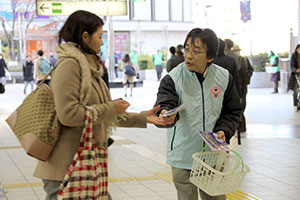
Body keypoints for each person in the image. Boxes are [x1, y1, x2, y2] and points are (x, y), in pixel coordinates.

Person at [33, 10, 171, 200]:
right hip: (67, 167)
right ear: (85, 36)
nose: (102, 41)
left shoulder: (89, 67)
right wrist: (111, 108)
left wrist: (142, 117)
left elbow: (101, 112)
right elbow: (68, 114)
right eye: (100, 36)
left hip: (86, 163)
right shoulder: (70, 65)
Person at [153, 28, 242, 200]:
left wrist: (224, 130)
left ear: (210, 57)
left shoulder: (223, 78)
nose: (188, 55)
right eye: (187, 49)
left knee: (215, 197)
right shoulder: (173, 78)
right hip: (182, 153)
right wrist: (165, 114)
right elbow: (163, 105)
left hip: (212, 155)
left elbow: (232, 111)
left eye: (195, 51)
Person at [232, 44, 253, 132]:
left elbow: (250, 70)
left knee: (242, 104)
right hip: (236, 85)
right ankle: (239, 125)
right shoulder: (233, 60)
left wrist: (246, 79)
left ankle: (241, 125)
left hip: (243, 86)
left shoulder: (244, 59)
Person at [288, 44, 300, 109]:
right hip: (296, 75)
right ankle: (295, 104)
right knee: (296, 90)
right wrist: (296, 70)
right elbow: (292, 66)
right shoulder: (294, 56)